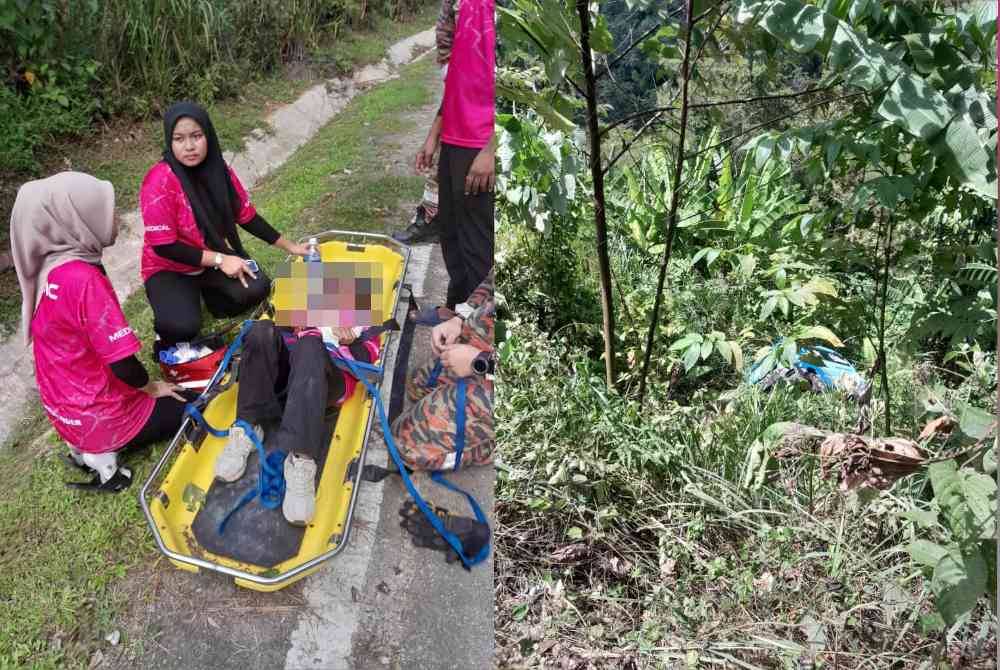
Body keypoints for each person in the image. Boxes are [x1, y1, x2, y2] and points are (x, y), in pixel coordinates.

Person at [10, 172, 190, 492]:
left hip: (65, 413)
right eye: (105, 210)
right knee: (190, 403)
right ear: (76, 220)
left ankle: (87, 448)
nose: (116, 218)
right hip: (99, 417)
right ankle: (105, 454)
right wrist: (152, 387)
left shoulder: (45, 269)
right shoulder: (82, 279)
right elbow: (123, 365)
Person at [140, 101, 310, 353]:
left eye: (196, 136)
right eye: (179, 139)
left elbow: (246, 216)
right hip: (169, 267)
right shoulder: (158, 181)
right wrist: (221, 259)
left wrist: (292, 246)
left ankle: (211, 298)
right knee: (181, 328)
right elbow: (166, 247)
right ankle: (180, 303)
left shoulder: (220, 171)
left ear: (208, 135)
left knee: (258, 288)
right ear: (170, 141)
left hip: (209, 258)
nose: (189, 146)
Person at [213, 320, 385, 526]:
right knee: (260, 331)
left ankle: (301, 459)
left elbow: (370, 351)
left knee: (310, 345)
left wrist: (352, 342)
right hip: (288, 371)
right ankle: (249, 426)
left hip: (325, 379)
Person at [413, 0, 496, 311]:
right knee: (452, 235)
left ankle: (478, 330)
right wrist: (433, 136)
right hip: (454, 137)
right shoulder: (460, 5)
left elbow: (522, 86)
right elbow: (455, 76)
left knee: (478, 245)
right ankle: (458, 310)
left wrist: (492, 149)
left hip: (480, 142)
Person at [392, 268, 495, 471]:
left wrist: (479, 361)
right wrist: (458, 319)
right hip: (489, 347)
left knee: (406, 446)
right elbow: (491, 282)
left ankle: (492, 446)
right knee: (416, 386)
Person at [392, 0, 460, 246]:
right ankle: (434, 219)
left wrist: (488, 152)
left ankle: (442, 221)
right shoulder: (453, 11)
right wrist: (433, 136)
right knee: (443, 164)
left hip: (477, 120)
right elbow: (453, 92)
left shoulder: (480, 15)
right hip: (459, 99)